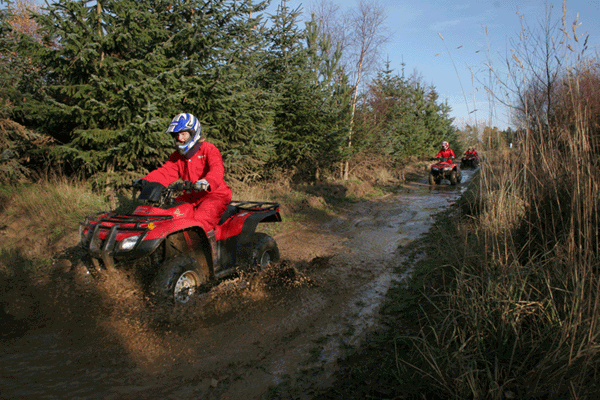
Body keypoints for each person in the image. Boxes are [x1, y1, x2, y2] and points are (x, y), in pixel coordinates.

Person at [135, 113, 232, 233]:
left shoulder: (209, 149)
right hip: (191, 196)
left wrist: (207, 181)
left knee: (199, 224)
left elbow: (217, 169)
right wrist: (146, 181)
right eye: (177, 135)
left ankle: (208, 250)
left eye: (183, 134)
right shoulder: (178, 156)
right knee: (169, 216)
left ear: (193, 133)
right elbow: (165, 172)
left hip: (215, 195)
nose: (180, 138)